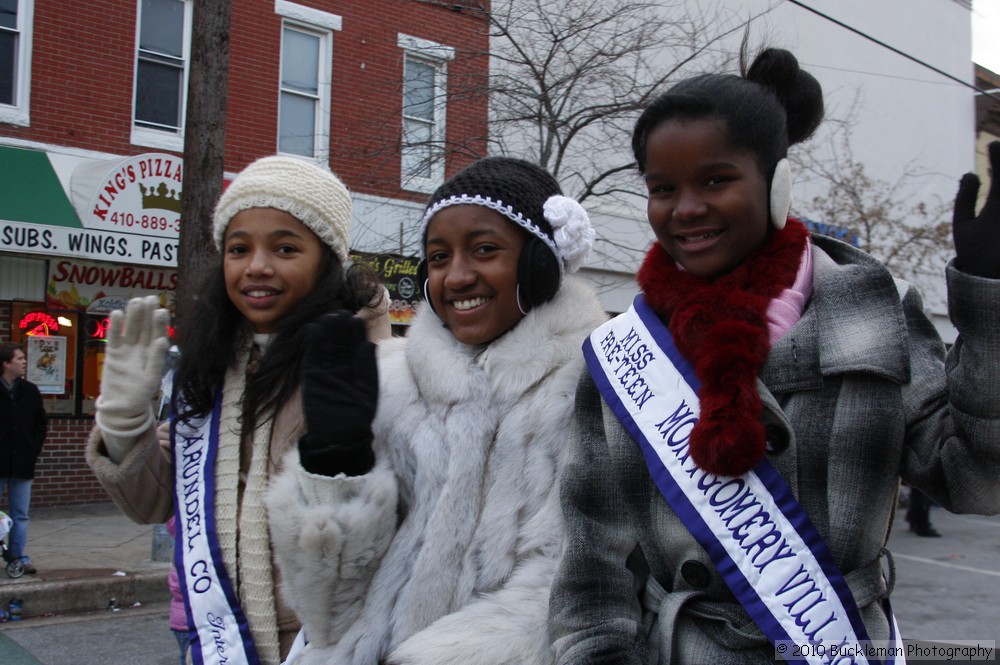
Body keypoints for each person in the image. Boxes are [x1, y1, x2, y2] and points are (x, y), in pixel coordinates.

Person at [549, 47, 1000, 664]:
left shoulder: (877, 309)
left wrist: (989, 307)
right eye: (662, 188)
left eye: (715, 180)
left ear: (777, 181)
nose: (685, 209)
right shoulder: (624, 352)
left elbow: (977, 482)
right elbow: (592, 570)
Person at [265, 156, 608, 665]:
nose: (457, 277)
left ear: (540, 263)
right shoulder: (393, 384)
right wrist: (335, 469)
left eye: (485, 250)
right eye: (439, 257)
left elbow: (573, 585)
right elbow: (326, 610)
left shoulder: (590, 393)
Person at [85, 155, 390, 665]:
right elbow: (154, 508)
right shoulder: (210, 367)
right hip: (210, 633)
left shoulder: (375, 368)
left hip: (320, 644)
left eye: (285, 248)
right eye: (238, 248)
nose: (257, 267)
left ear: (328, 262)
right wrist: (123, 424)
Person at [0, 341, 47, 576]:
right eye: (19, 359)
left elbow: (41, 424)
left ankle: (18, 557)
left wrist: (32, 449)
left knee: (21, 514)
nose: (24, 362)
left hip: (22, 462)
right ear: (6, 363)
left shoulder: (29, 391)